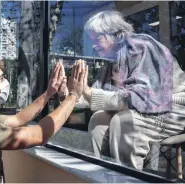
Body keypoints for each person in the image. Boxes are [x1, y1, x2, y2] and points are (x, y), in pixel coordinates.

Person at [59, 10, 185, 170]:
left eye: (97, 38)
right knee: (98, 119)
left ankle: (128, 178)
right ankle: (103, 174)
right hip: (144, 109)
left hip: (173, 108)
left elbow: (142, 99)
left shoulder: (141, 47)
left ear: (116, 34)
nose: (93, 45)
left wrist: (89, 92)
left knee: (124, 121)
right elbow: (95, 96)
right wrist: (69, 93)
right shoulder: (111, 61)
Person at [0, 55, 85, 183]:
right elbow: (38, 136)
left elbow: (18, 119)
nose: (6, 82)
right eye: (1, 78)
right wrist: (73, 96)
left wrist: (49, 92)